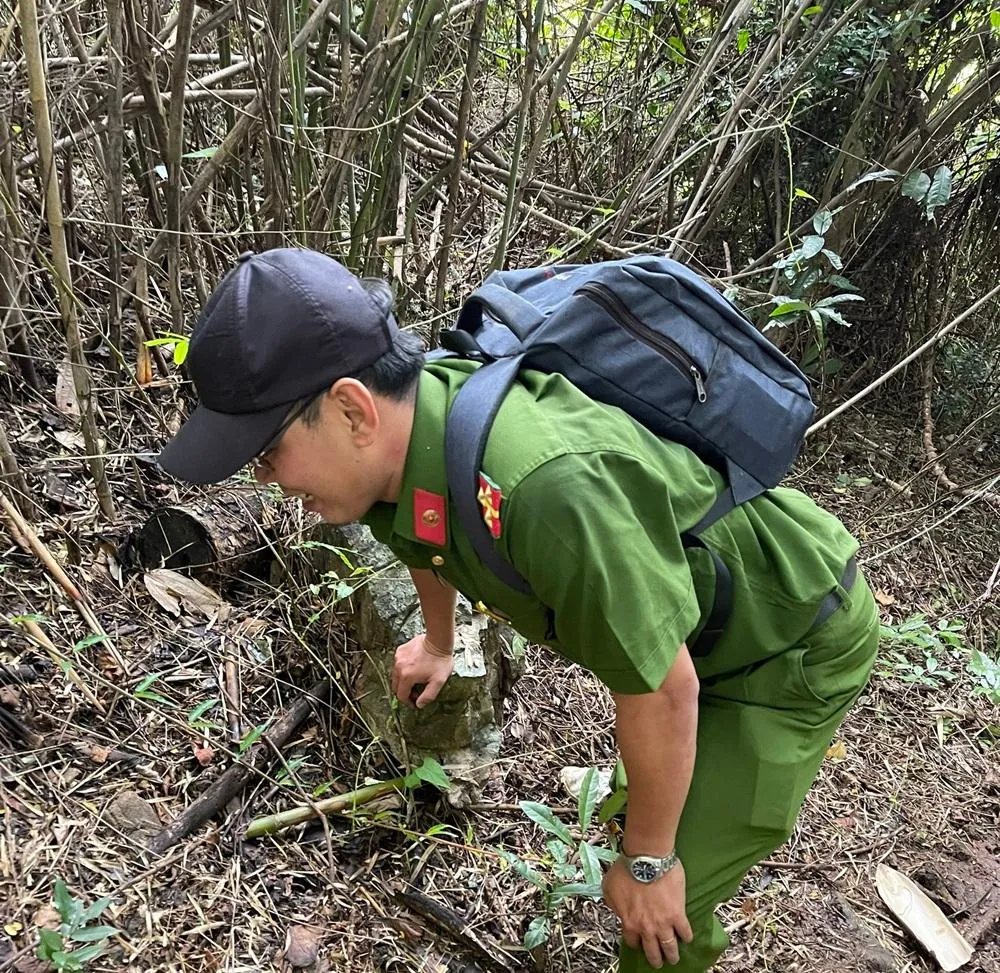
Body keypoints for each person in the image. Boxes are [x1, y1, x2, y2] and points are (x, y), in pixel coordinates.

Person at [158, 248, 880, 973]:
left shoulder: (543, 488)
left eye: (268, 450)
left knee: (660, 911)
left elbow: (664, 690)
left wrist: (653, 861)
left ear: (352, 409)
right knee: (648, 816)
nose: (267, 480)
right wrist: (438, 641)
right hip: (691, 636)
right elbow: (419, 529)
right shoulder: (401, 446)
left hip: (790, 641)